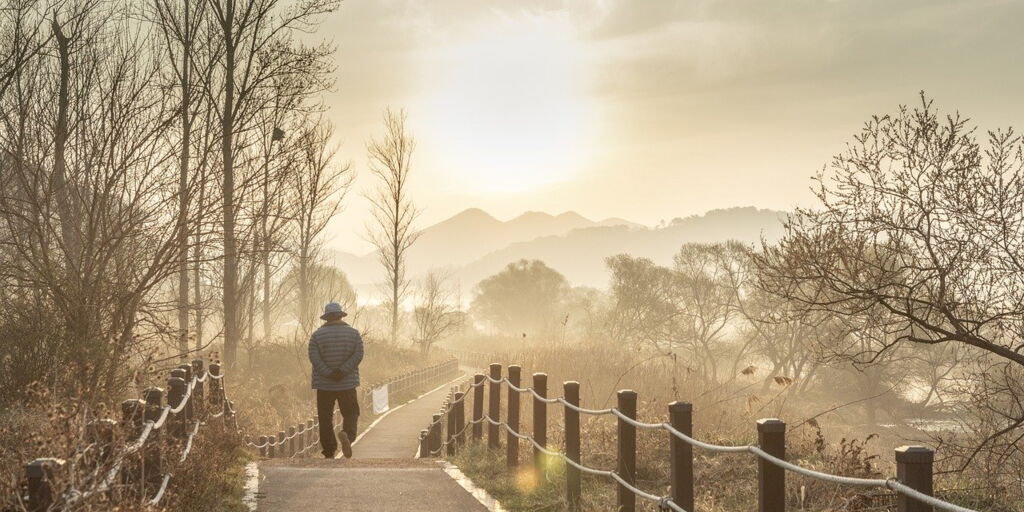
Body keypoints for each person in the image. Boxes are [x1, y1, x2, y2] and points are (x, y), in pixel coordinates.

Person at [308, 301, 363, 458]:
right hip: (347, 382)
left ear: (326, 318)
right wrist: (343, 371)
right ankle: (347, 435)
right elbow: (358, 354)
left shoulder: (316, 336)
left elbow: (314, 358)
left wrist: (329, 373)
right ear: (340, 315)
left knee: (325, 418)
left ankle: (329, 450)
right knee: (351, 412)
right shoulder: (354, 334)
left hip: (324, 384)